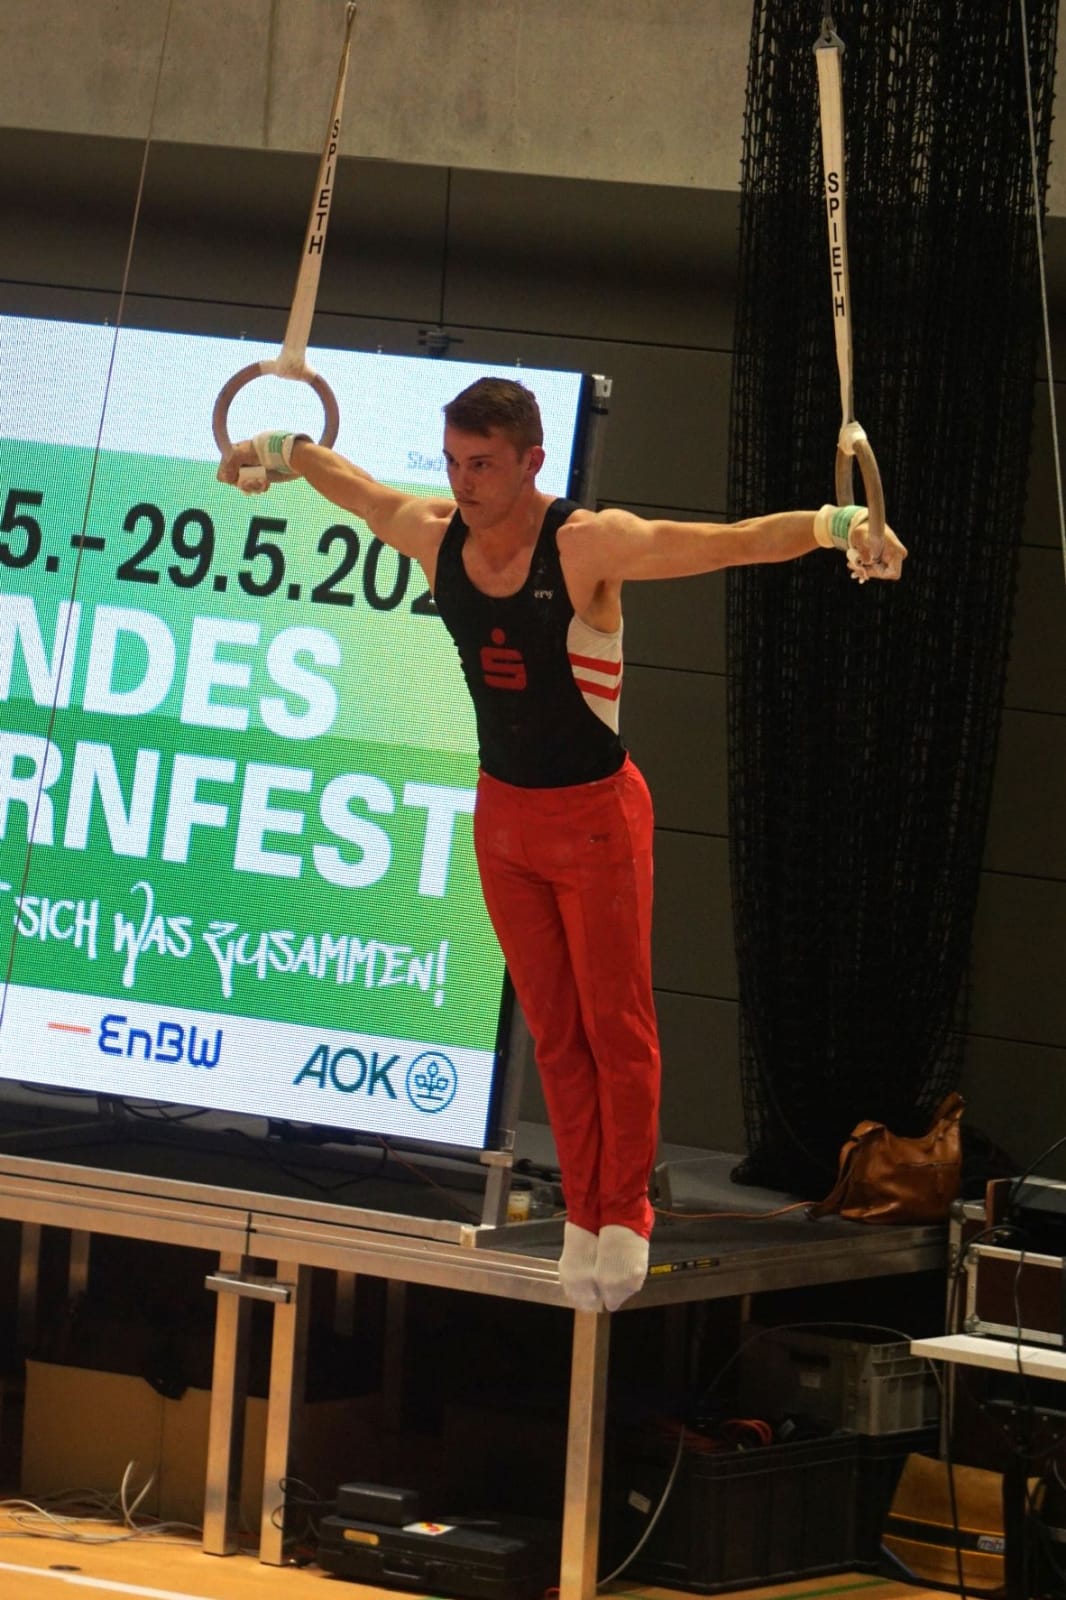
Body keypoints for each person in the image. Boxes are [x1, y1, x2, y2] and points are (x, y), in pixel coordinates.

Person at [217, 377, 906, 1313]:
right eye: (452, 462)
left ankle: (625, 1213)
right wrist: (273, 451)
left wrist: (842, 526)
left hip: (596, 818)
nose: (462, 482)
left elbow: (727, 543)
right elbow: (353, 485)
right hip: (503, 819)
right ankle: (584, 1214)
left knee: (614, 1027)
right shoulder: (434, 535)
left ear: (533, 460)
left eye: (483, 465)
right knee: (553, 1031)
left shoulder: (587, 545)